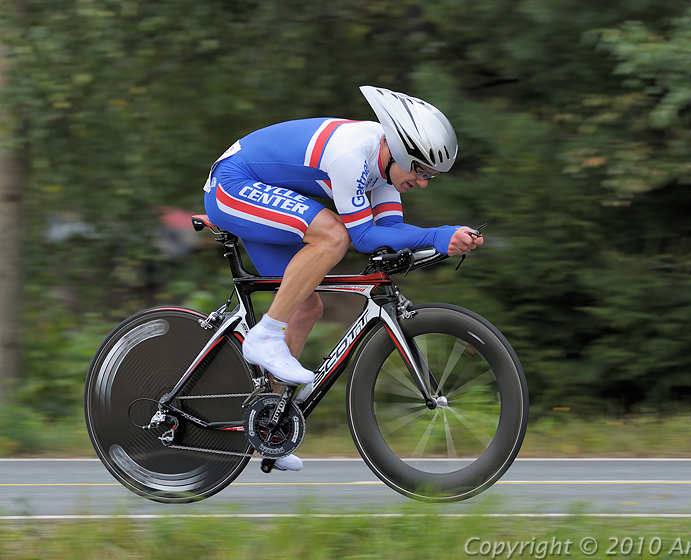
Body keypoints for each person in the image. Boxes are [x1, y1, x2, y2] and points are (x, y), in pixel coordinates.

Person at [202, 86, 483, 470]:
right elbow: (363, 236)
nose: (423, 182)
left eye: (430, 175)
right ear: (400, 152)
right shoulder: (354, 156)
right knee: (333, 234)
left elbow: (389, 232)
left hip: (263, 192)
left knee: (306, 309)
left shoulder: (385, 173)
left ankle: (269, 426)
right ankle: (264, 335)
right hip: (232, 185)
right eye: (421, 171)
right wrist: (437, 234)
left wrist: (441, 243)